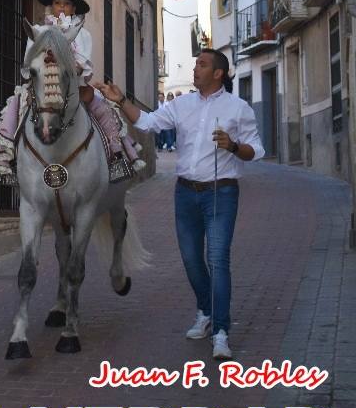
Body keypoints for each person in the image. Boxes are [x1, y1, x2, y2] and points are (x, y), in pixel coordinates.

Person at [98, 49, 264, 361]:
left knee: (218, 259)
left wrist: (234, 146)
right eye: (195, 64)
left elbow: (256, 150)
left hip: (222, 193)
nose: (195, 69)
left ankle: (221, 331)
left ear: (218, 73)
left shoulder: (238, 108)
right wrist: (120, 101)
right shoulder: (182, 103)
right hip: (185, 193)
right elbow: (147, 123)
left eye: (202, 64)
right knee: (191, 260)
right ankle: (205, 310)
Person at [0, 0, 144, 177]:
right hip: (43, 86)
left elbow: (83, 65)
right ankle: (7, 160)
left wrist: (69, 66)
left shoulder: (83, 34)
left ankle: (116, 157)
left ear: (73, 8)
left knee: (105, 110)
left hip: (74, 88)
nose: (61, 7)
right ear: (51, 6)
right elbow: (29, 63)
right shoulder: (37, 32)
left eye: (66, 4)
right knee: (17, 105)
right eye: (57, 2)